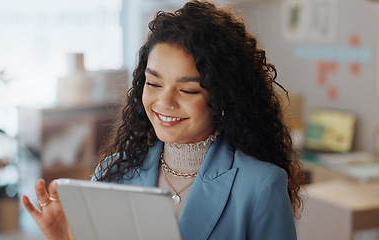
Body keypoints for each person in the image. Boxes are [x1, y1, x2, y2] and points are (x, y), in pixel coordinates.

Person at [22, 1, 304, 239]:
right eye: (154, 84)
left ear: (223, 98)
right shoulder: (112, 173)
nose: (164, 103)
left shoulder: (260, 186)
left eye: (187, 90)